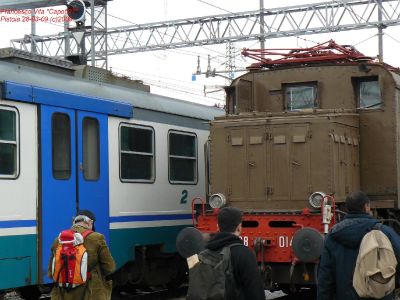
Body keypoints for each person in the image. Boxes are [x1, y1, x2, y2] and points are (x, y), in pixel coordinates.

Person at [317, 191, 400, 300]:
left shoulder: (333, 236)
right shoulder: (385, 232)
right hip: (379, 295)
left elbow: (325, 277)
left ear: (347, 208)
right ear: (366, 206)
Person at [47, 210, 116, 300]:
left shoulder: (58, 240)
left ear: (74, 222)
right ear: (90, 222)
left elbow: (50, 274)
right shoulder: (97, 238)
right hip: (91, 293)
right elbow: (109, 268)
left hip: (62, 295)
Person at [205, 206, 265, 300]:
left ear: (218, 227)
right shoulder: (245, 254)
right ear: (239, 228)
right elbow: (256, 293)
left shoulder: (204, 253)